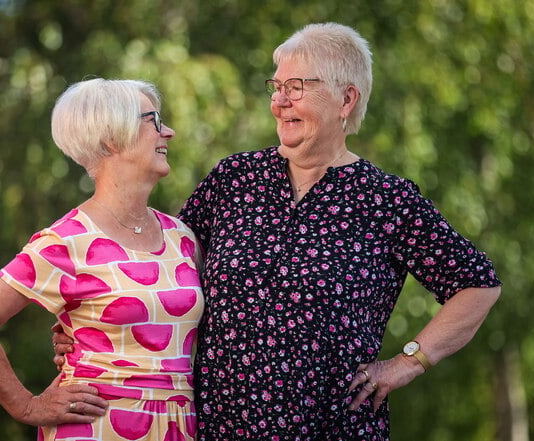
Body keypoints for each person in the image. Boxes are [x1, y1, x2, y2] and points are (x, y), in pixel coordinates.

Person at [55, 22, 502, 440]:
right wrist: (94, 324)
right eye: (277, 87)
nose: (279, 101)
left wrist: (408, 362)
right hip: (220, 426)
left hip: (334, 428)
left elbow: (477, 285)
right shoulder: (234, 178)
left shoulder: (386, 199)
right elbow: (163, 269)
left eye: (297, 87)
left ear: (346, 100)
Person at [0, 78, 204, 441]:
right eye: (154, 121)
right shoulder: (66, 241)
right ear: (112, 137)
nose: (170, 132)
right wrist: (27, 406)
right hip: (95, 428)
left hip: (179, 428)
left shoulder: (182, 237)